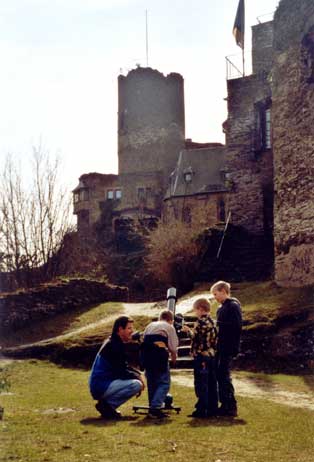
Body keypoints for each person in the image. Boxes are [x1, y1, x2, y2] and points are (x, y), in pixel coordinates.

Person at [89, 315, 145, 419]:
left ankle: (107, 406)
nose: (132, 331)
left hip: (101, 384)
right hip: (101, 385)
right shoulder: (114, 346)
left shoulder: (113, 342)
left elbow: (123, 366)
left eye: (132, 328)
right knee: (136, 385)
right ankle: (108, 406)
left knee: (136, 381)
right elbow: (122, 371)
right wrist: (139, 377)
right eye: (129, 328)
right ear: (120, 329)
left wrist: (137, 374)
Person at [210, 280, 242, 417]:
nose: (215, 297)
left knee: (224, 375)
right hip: (220, 346)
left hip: (228, 346)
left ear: (223, 291)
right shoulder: (221, 308)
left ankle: (230, 406)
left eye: (216, 294)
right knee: (220, 375)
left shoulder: (233, 306)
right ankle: (225, 404)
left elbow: (236, 327)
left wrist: (218, 324)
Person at [182, 298, 218, 418]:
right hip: (211, 355)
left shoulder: (200, 322)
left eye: (195, 310)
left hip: (202, 356)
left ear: (200, 309)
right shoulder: (212, 322)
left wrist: (188, 331)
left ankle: (201, 409)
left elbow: (196, 337)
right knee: (211, 382)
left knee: (201, 383)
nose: (195, 313)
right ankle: (213, 408)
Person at [141, 310, 179, 419]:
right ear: (170, 320)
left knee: (152, 382)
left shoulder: (150, 325)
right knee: (164, 383)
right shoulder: (169, 327)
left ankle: (152, 406)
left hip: (147, 356)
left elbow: (144, 340)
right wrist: (174, 359)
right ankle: (156, 407)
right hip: (159, 356)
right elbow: (173, 347)